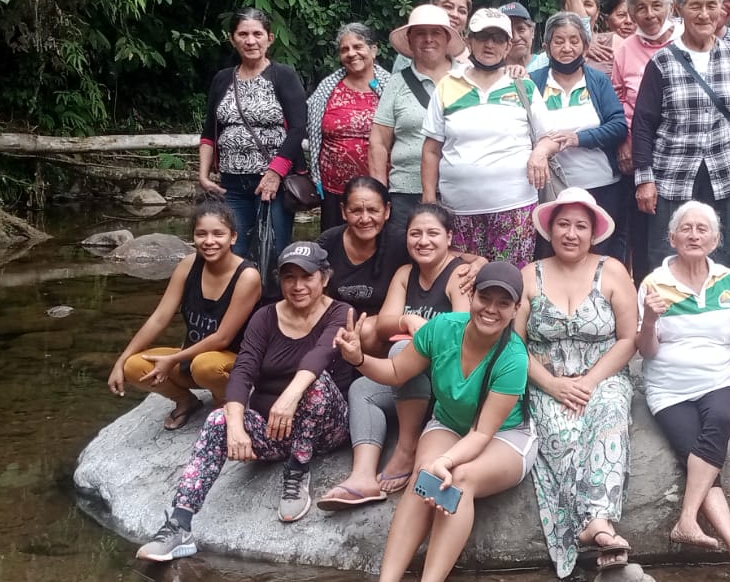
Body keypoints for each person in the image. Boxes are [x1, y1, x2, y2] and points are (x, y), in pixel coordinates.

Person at [135, 241, 353, 561]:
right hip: (274, 430)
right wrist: (236, 426)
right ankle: (179, 524)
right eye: (289, 277)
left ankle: (297, 469)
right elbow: (243, 370)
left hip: (326, 429)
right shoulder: (265, 316)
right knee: (218, 420)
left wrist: (289, 396)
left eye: (307, 277)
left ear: (325, 277)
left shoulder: (341, 313)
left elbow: (320, 355)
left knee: (314, 383)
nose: (298, 286)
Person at [335, 262, 537, 582]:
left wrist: (446, 461)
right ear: (471, 297)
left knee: (458, 480)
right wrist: (358, 358)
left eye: (503, 303)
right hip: (449, 423)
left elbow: (482, 433)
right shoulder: (442, 328)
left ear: (515, 310)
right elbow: (396, 372)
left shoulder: (514, 357)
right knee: (425, 476)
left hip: (504, 436)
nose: (491, 309)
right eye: (485, 298)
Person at [637, 201, 730, 577]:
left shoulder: (729, 280)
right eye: (686, 228)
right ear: (672, 237)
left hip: (717, 381)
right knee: (700, 456)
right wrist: (649, 320)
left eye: (702, 229)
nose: (694, 235)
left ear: (715, 240)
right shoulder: (653, 283)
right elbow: (646, 351)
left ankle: (690, 521)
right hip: (668, 389)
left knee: (718, 425)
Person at [514, 188, 638, 575]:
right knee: (563, 437)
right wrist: (551, 385)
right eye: (563, 225)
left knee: (609, 417)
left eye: (580, 226)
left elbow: (628, 339)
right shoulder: (529, 275)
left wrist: (590, 380)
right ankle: (590, 535)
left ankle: (598, 522)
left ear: (593, 232)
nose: (571, 233)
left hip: (604, 376)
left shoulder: (612, 270)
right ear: (550, 230)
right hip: (545, 380)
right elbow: (513, 343)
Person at [319, 203, 472, 510]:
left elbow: (462, 330)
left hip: (448, 382)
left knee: (403, 349)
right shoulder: (406, 273)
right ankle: (362, 476)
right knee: (362, 389)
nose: (423, 241)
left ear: (449, 237)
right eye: (415, 234)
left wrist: (425, 333)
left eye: (433, 233)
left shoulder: (459, 274)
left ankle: (406, 446)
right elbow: (385, 322)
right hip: (410, 379)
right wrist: (406, 320)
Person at [632, 0, 730, 272]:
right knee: (666, 254)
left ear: (721, 8)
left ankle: (717, 304)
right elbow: (643, 124)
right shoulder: (662, 61)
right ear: (679, 9)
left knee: (722, 254)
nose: (704, 14)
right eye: (695, 6)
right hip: (673, 175)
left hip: (728, 173)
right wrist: (644, 180)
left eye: (712, 5)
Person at [421, 8, 560, 267]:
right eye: (483, 37)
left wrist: (539, 153)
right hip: (458, 211)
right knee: (462, 279)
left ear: (508, 46)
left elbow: (550, 136)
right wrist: (429, 200)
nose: (489, 44)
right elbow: (431, 149)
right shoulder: (448, 85)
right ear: (469, 41)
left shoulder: (523, 86)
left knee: (509, 280)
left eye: (498, 39)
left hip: (515, 207)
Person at [111, 202, 263, 429]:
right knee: (133, 366)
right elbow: (159, 318)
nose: (209, 241)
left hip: (233, 363)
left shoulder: (247, 276)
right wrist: (121, 360)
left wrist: (173, 359)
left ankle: (225, 402)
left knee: (205, 366)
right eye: (201, 234)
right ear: (193, 237)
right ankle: (185, 401)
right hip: (191, 358)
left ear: (233, 237)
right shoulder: (188, 265)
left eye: (218, 234)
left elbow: (222, 338)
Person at [197, 7, 308, 266]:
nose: (250, 41)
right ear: (232, 39)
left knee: (273, 250)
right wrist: (203, 175)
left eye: (257, 34)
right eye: (243, 34)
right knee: (231, 252)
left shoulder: (283, 75)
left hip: (273, 183)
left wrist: (275, 173)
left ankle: (271, 294)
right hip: (231, 184)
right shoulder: (222, 79)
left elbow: (298, 128)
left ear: (270, 38)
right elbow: (210, 131)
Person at [528, 11, 628, 259]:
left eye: (574, 41)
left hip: (601, 186)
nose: (567, 48)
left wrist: (577, 139)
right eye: (559, 41)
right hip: (551, 191)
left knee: (599, 254)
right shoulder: (532, 83)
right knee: (554, 255)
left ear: (585, 46)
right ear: (546, 47)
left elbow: (618, 125)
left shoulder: (597, 81)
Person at [316, 177, 482, 326]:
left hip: (380, 327)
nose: (365, 219)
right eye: (356, 211)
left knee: (367, 329)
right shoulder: (329, 242)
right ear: (344, 211)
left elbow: (439, 252)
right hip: (337, 323)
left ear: (387, 211)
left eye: (373, 210)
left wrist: (480, 262)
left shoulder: (402, 241)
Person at [609, 0, 681, 280]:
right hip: (639, 154)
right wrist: (624, 141)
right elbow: (616, 98)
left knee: (679, 227)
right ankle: (643, 292)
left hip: (680, 151)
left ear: (669, 7)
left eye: (656, 5)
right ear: (631, 12)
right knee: (641, 233)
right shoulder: (625, 48)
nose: (649, 14)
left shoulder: (684, 41)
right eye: (640, 7)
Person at [372, 5, 463, 237]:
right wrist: (379, 194)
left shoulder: (467, 78)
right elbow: (379, 142)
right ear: (410, 40)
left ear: (447, 38)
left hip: (460, 189)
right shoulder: (396, 83)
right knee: (404, 253)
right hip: (405, 193)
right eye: (420, 33)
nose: (428, 39)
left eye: (436, 32)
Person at [307, 24, 393, 230]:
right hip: (334, 190)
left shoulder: (391, 88)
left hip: (379, 189)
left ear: (374, 50)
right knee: (334, 243)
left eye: (358, 47)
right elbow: (312, 131)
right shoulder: (327, 89)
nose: (351, 53)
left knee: (377, 243)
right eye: (344, 49)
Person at [393, 0, 472, 72]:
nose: (455, 14)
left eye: (462, 11)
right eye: (448, 7)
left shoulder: (474, 53)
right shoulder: (412, 51)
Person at [500, 1, 549, 71]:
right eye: (509, 32)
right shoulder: (494, 74)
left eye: (521, 29)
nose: (516, 38)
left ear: (532, 31)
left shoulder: (548, 61)